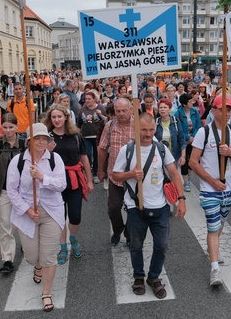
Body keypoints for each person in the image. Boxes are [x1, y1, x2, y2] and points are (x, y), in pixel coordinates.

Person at [112, 113, 186, 299]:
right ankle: (138, 276)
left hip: (160, 207)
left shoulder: (160, 148)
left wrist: (182, 199)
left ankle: (154, 277)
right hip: (136, 207)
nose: (148, 133)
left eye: (151, 129)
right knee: (136, 245)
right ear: (137, 129)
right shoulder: (127, 150)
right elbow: (115, 175)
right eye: (144, 130)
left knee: (162, 245)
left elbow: (174, 173)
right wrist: (130, 174)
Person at [7, 123, 67, 312]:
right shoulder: (18, 161)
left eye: (44, 139)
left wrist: (42, 177)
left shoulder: (54, 159)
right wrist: (27, 210)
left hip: (51, 211)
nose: (41, 142)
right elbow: (11, 190)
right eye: (37, 138)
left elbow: (61, 185)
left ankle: (46, 292)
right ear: (29, 141)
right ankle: (37, 266)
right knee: (32, 257)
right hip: (27, 212)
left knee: (49, 256)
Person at [189, 95, 231, 286]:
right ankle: (215, 269)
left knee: (220, 224)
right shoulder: (203, 133)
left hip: (229, 187)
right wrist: (212, 181)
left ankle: (212, 248)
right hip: (209, 189)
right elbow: (193, 162)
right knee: (213, 226)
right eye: (223, 109)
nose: (227, 113)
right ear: (213, 111)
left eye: (229, 109)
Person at [46, 105, 94, 263]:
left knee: (75, 216)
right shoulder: (47, 137)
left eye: (59, 116)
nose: (57, 120)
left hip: (74, 180)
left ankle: (73, 238)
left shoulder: (75, 135)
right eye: (54, 117)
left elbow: (84, 158)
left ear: (66, 117)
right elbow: (40, 161)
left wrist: (89, 180)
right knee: (60, 217)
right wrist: (47, 151)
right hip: (55, 183)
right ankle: (63, 247)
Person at [0, 113, 25, 274]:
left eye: (11, 127)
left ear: (17, 127)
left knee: (24, 222)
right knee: (6, 224)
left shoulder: (24, 143)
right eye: (5, 127)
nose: (8, 131)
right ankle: (7, 259)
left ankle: (26, 246)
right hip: (4, 191)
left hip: (23, 191)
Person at [98, 98, 136, 245]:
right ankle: (118, 229)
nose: (120, 114)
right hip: (115, 175)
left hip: (134, 177)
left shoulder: (138, 125)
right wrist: (100, 171)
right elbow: (102, 148)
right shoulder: (110, 125)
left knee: (134, 210)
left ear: (131, 110)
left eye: (124, 111)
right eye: (117, 111)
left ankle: (129, 234)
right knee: (114, 208)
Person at [78, 91, 106, 184]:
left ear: (94, 100)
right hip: (85, 136)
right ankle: (87, 173)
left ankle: (95, 174)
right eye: (86, 99)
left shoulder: (100, 108)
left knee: (97, 155)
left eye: (89, 99)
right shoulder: (82, 110)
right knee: (88, 155)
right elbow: (79, 124)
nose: (87, 101)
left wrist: (100, 115)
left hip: (98, 136)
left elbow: (106, 120)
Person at [175, 93, 201, 193]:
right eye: (190, 102)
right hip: (183, 141)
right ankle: (186, 181)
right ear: (184, 104)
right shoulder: (178, 113)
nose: (192, 103)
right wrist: (187, 137)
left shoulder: (195, 112)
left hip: (194, 140)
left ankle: (188, 174)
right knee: (184, 161)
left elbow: (198, 125)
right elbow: (179, 129)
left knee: (194, 161)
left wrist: (193, 136)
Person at [155, 98, 186, 169]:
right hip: (159, 157)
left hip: (174, 157)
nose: (162, 109)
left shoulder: (176, 121)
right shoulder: (155, 122)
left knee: (176, 178)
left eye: (165, 107)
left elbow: (182, 140)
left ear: (169, 109)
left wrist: (183, 156)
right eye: (160, 107)